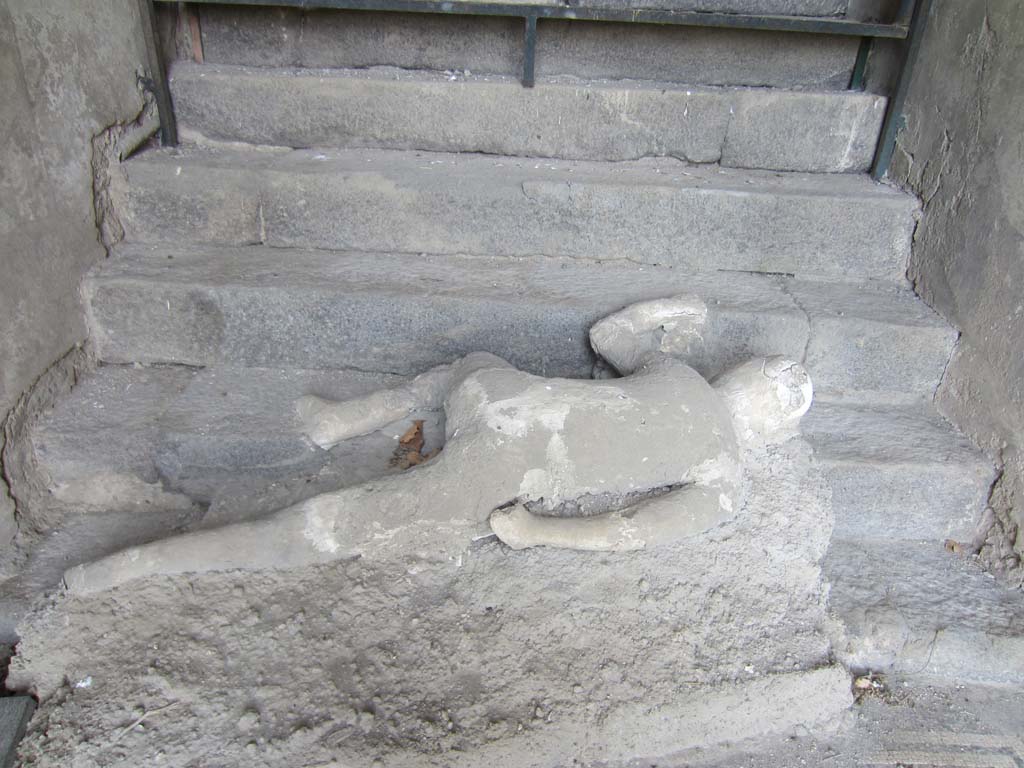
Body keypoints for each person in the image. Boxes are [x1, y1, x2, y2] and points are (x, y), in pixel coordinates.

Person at [64, 296, 812, 593]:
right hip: (510, 463)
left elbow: (607, 336)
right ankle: (138, 564)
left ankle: (345, 419)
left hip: (507, 396)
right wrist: (534, 531)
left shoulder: (678, 369)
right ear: (771, 430)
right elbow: (627, 533)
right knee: (329, 526)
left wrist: (671, 308)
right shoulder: (724, 478)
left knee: (470, 368)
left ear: (737, 374)